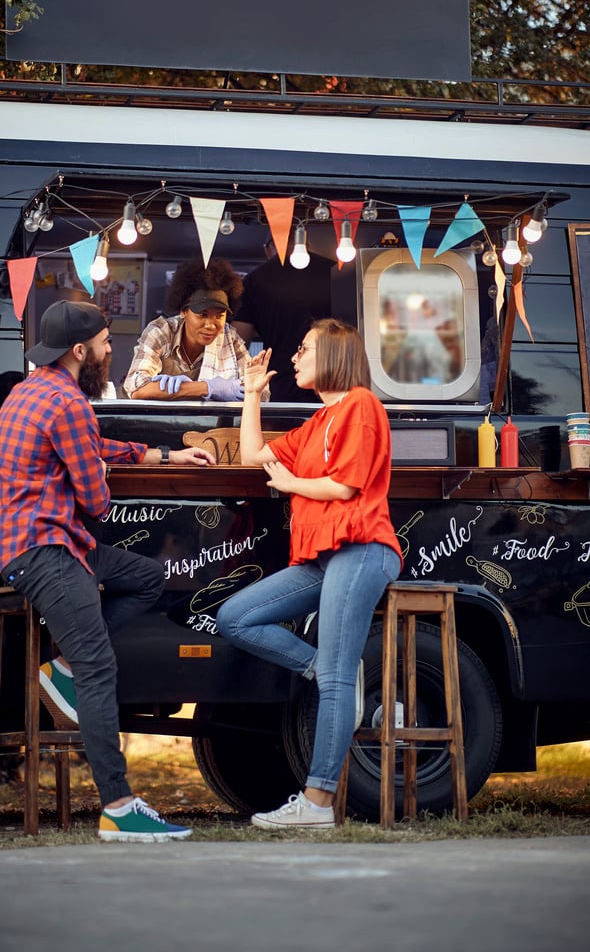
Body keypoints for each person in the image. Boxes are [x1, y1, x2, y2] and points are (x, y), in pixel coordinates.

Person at [0, 300, 215, 842]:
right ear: (80, 350)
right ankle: (117, 806)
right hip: (45, 549)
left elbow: (89, 448)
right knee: (100, 669)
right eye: (108, 342)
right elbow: (95, 501)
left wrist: (162, 455)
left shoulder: (32, 390)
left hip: (38, 543)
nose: (114, 350)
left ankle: (61, 666)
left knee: (148, 578)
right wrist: (99, 474)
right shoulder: (70, 405)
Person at [216, 319, 403, 830]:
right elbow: (255, 455)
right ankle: (325, 668)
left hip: (361, 548)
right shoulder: (319, 420)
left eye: (304, 349)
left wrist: (293, 482)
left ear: (336, 355)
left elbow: (344, 489)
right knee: (236, 617)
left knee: (339, 678)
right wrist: (251, 393)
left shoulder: (361, 405)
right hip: (325, 555)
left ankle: (318, 805)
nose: (295, 357)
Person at [123, 257, 268, 401]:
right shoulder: (162, 332)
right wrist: (209, 387)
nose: (211, 325)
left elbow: (260, 391)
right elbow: (136, 388)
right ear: (183, 311)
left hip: (214, 424)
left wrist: (250, 385)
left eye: (219, 315)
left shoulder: (229, 337)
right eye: (202, 315)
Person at [232, 235, 334, 403]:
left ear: (268, 248)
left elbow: (238, 342)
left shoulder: (255, 279)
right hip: (331, 383)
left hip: (278, 385)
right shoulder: (335, 271)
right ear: (307, 244)